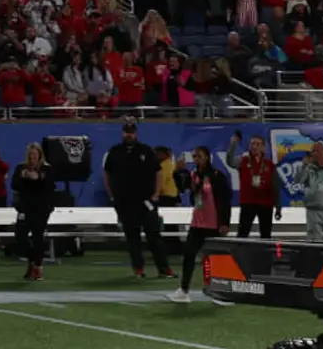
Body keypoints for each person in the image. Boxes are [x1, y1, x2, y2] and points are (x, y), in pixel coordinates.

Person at [103, 120, 172, 281]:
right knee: (132, 238)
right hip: (125, 202)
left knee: (154, 236)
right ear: (122, 133)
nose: (129, 135)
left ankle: (164, 268)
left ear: (136, 133)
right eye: (126, 132)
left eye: (131, 132)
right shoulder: (115, 152)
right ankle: (139, 269)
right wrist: (112, 195)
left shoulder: (146, 150)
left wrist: (155, 195)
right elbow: (107, 174)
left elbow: (158, 173)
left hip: (145, 201)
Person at [169, 145, 234, 303]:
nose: (197, 159)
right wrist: (178, 172)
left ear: (207, 157)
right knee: (189, 255)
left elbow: (225, 201)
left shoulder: (217, 176)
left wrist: (225, 222)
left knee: (216, 259)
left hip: (213, 224)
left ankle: (221, 293)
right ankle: (184, 290)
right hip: (197, 223)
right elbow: (183, 188)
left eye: (199, 156)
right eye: (195, 157)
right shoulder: (194, 174)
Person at [10, 142, 55, 282]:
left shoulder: (47, 169)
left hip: (41, 208)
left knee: (38, 237)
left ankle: (38, 268)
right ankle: (31, 260)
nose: (32, 158)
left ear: (40, 155)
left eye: (34, 155)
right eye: (30, 155)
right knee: (20, 236)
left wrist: (38, 178)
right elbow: (14, 185)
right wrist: (24, 176)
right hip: (25, 208)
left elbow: (50, 186)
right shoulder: (21, 168)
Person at [230, 132, 279, 239]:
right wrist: (233, 145)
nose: (254, 146)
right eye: (252, 144)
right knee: (243, 232)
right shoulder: (243, 161)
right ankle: (240, 255)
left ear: (263, 147)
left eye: (257, 144)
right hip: (248, 202)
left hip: (266, 203)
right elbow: (230, 161)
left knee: (266, 234)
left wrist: (278, 206)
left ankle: (265, 255)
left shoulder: (269, 164)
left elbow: (275, 186)